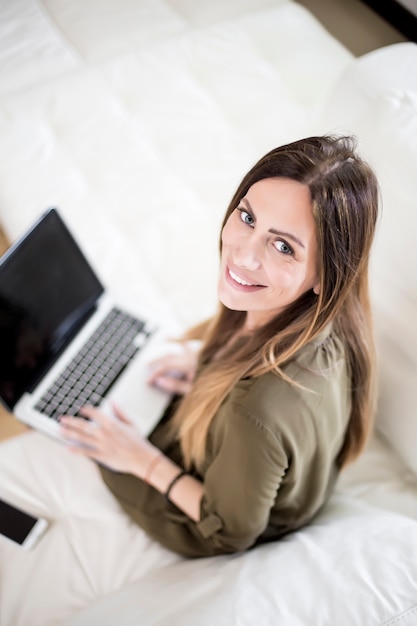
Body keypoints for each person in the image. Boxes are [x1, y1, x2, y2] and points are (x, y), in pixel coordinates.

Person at [59, 135, 379, 558]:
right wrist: (210, 368)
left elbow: (230, 532)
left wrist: (139, 459)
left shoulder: (254, 411)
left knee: (88, 434)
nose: (244, 256)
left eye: (283, 246)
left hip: (218, 512)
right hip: (260, 463)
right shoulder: (334, 322)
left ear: (327, 275)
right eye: (247, 217)